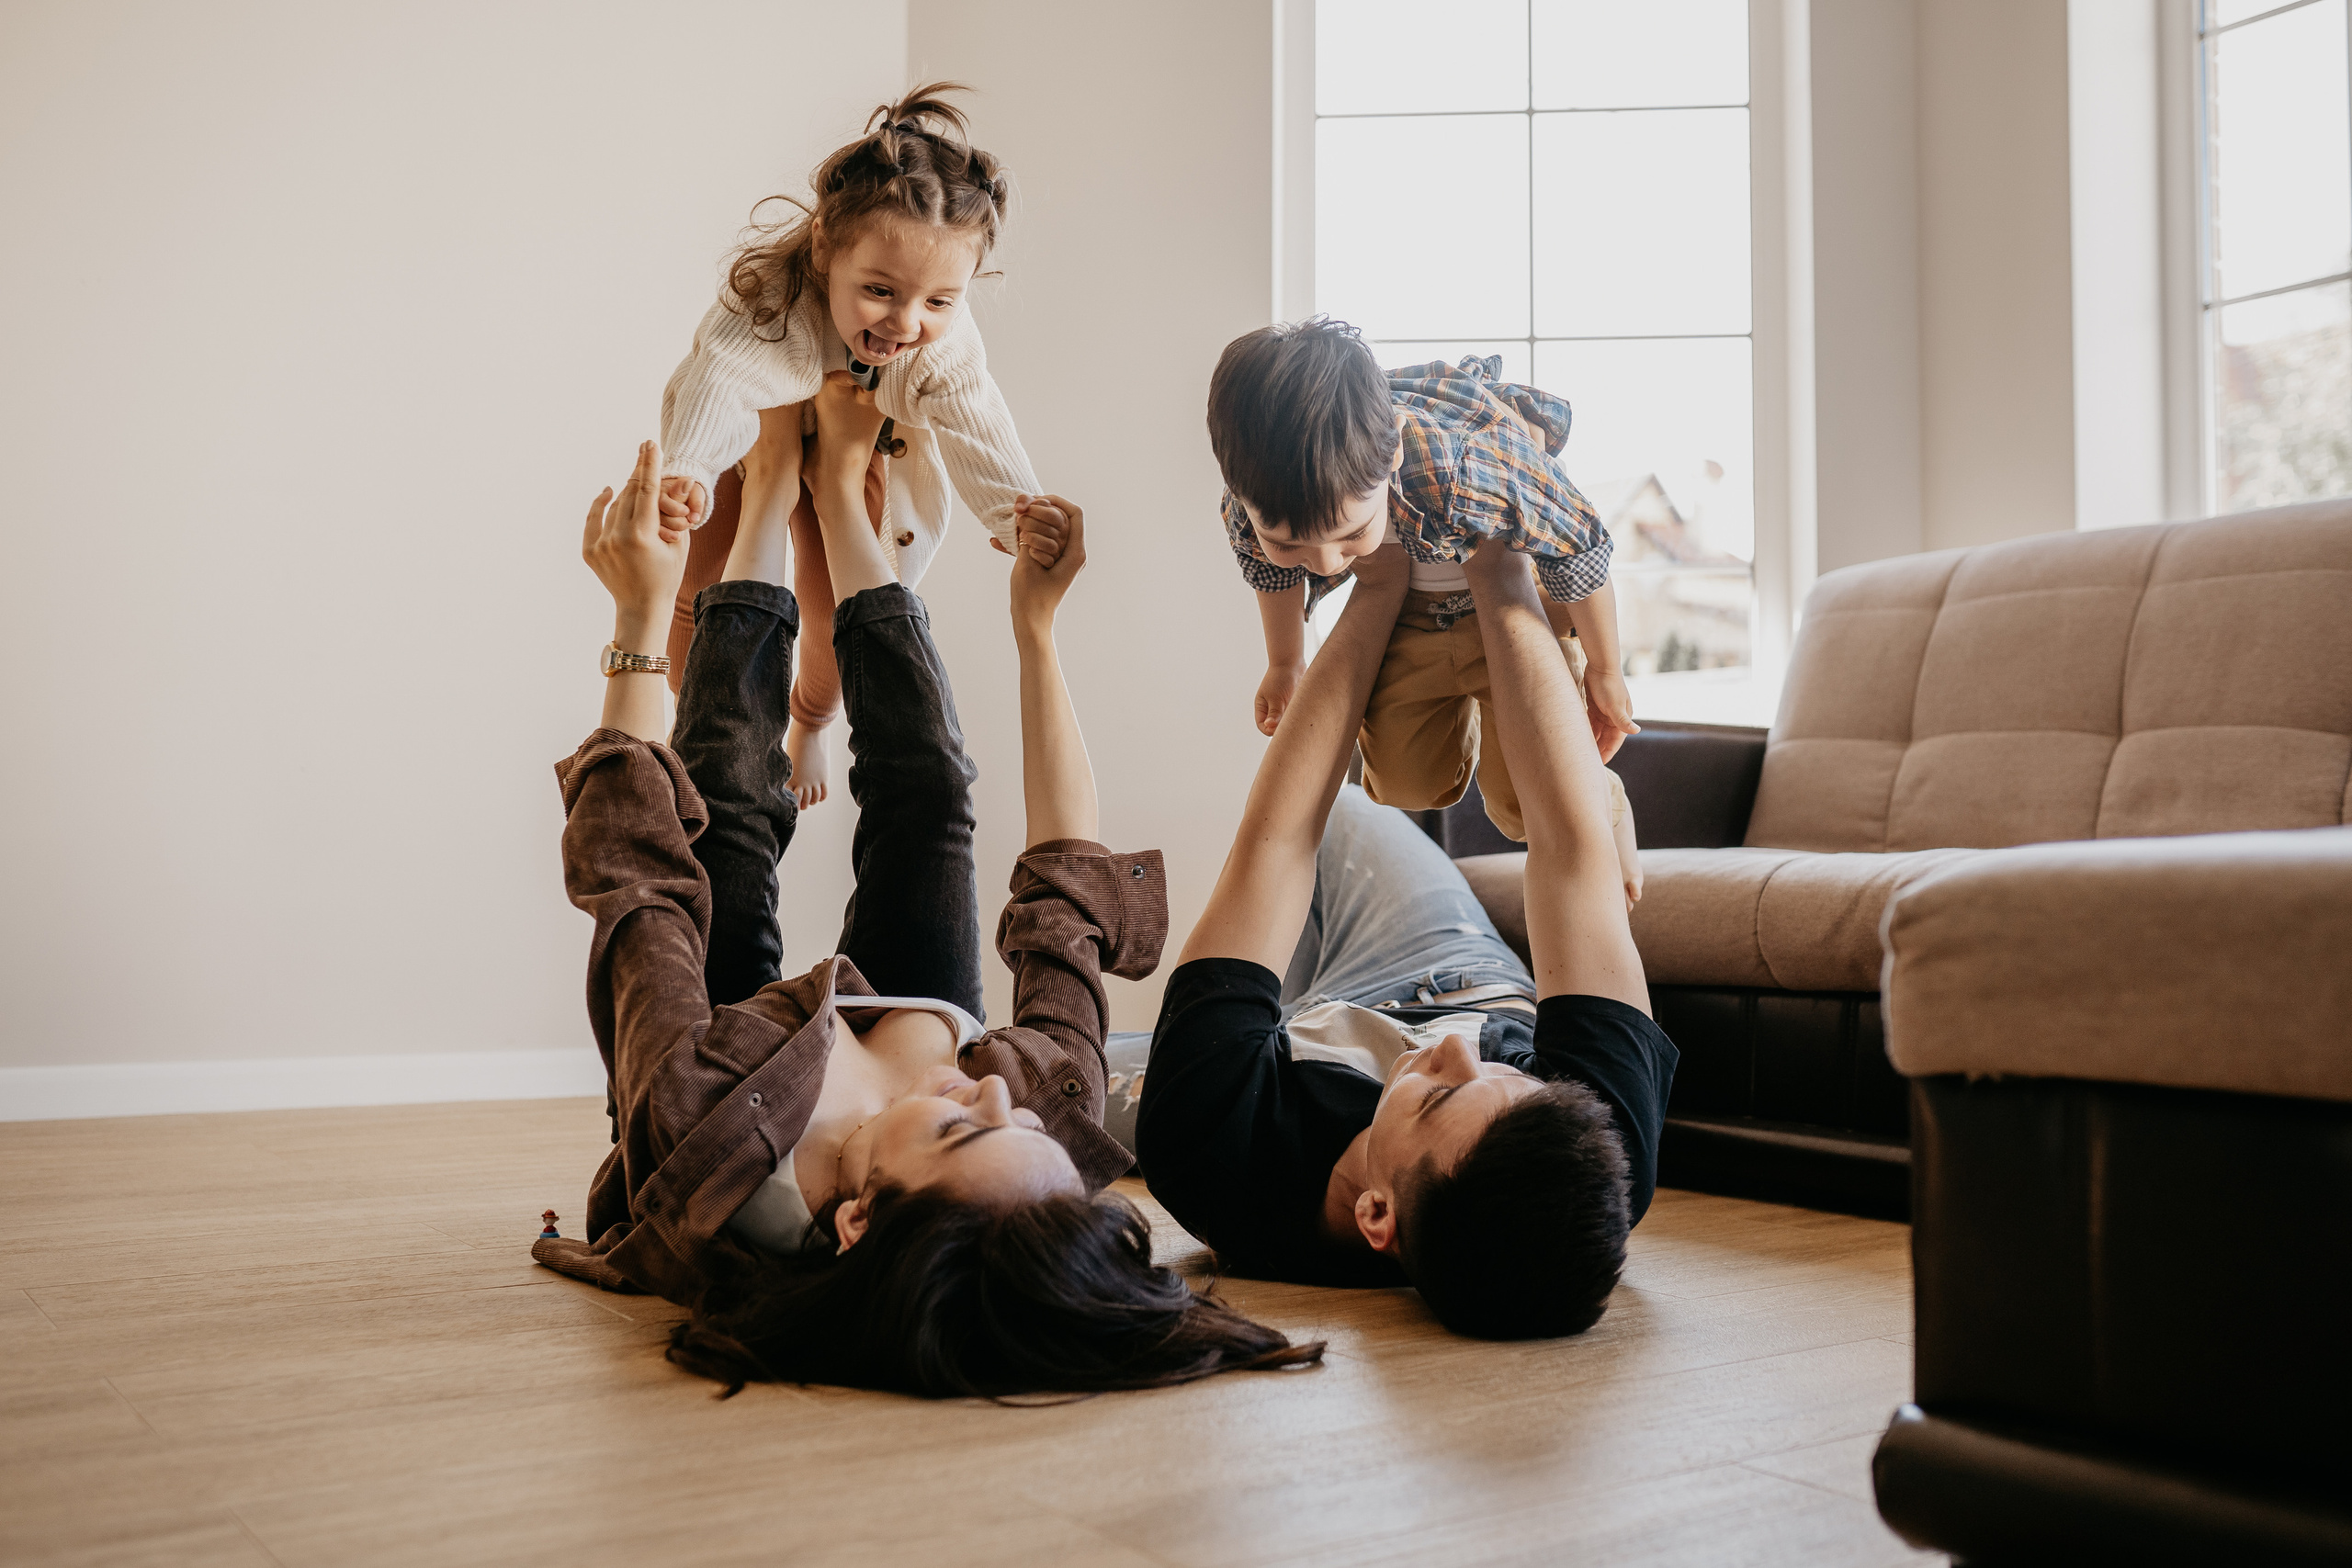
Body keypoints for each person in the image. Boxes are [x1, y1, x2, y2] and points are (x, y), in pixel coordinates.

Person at [537, 376, 1320, 1396]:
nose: (994, 1089)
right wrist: (1037, 627)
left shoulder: (700, 1124)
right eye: (1020, 1124)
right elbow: (1067, 880)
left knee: (726, 805)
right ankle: (839, 487)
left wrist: (642, 613)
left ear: (857, 1220)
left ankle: (770, 482)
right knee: (930, 789)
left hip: (745, 1070)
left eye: (960, 1126)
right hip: (883, 1018)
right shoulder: (1035, 1110)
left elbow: (642, 876)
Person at [1136, 531, 1678, 1339]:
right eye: (1511, 1074)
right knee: (1352, 803)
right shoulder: (1593, 1152)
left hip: (1295, 1044)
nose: (1458, 1049)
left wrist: (1380, 583)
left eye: (1440, 1095)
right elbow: (1569, 854)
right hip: (1440, 964)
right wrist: (1497, 567)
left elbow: (1277, 845)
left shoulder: (1210, 1151)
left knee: (1304, 824)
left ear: (1377, 1213)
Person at [654, 84, 1053, 812]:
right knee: (702, 580)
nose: (906, 322)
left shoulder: (942, 345)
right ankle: (703, 712)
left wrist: (1015, 512)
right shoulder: (769, 298)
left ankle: (810, 718)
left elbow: (976, 419)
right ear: (823, 249)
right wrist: (689, 469)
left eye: (939, 301)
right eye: (880, 290)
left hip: (862, 444)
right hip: (744, 435)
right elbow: (719, 379)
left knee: (835, 605)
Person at [1207, 318, 1642, 908]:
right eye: (1289, 542)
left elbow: (1581, 545)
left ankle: (1605, 799)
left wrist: (1606, 668)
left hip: (1515, 606)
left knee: (1524, 805)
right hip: (1414, 614)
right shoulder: (1253, 498)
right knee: (1402, 785)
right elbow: (1272, 575)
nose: (1327, 562)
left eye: (1350, 534)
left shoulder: (1468, 465)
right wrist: (1285, 662)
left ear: (1392, 453)